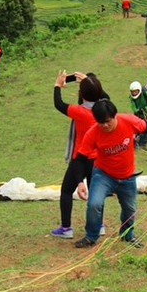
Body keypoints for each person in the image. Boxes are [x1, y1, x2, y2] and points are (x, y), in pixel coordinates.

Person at [73, 100, 147, 248]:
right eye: (101, 122)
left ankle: (127, 235)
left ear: (114, 116)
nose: (105, 126)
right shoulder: (93, 133)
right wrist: (80, 182)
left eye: (108, 121)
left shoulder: (128, 121)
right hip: (103, 175)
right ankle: (91, 236)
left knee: (130, 209)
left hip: (127, 176)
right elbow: (80, 159)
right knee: (94, 204)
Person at [51, 70, 106, 239]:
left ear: (81, 94)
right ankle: (99, 225)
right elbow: (106, 98)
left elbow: (59, 104)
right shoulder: (103, 110)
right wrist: (90, 82)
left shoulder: (79, 112)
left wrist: (57, 85)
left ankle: (66, 228)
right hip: (97, 159)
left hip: (79, 159)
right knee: (96, 192)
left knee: (67, 191)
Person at [128, 81, 147, 149]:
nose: (134, 93)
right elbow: (133, 107)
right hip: (140, 115)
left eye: (135, 91)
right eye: (132, 91)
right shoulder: (132, 97)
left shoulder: (145, 93)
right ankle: (143, 143)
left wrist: (146, 108)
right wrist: (137, 111)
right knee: (142, 129)